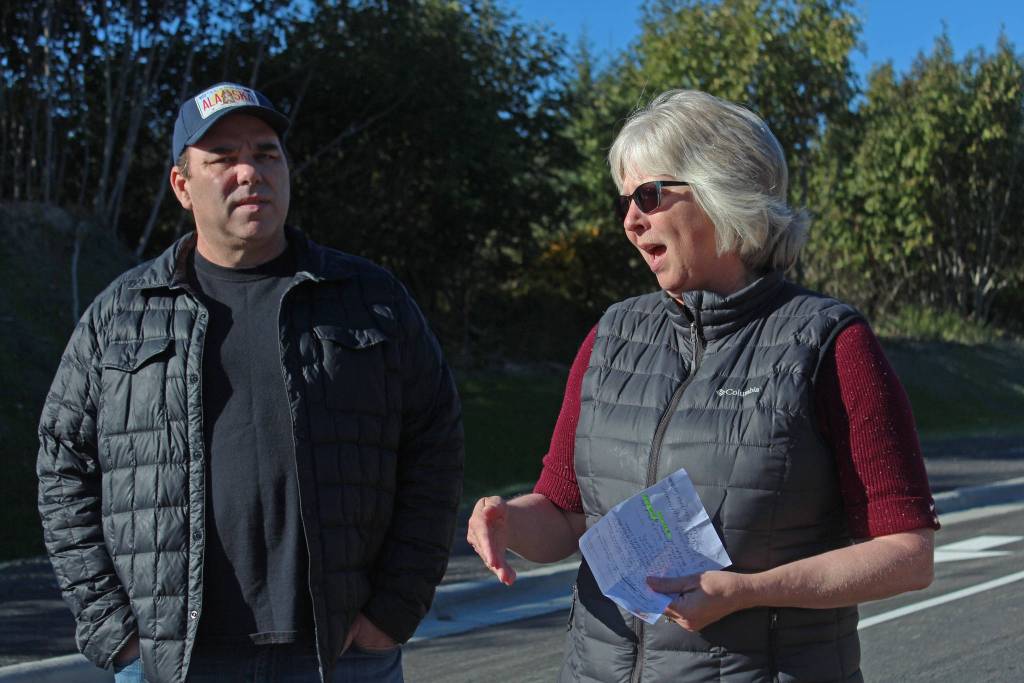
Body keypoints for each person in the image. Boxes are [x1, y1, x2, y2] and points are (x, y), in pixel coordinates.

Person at [467, 89, 938, 682]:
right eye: (625, 200)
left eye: (649, 195)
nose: (630, 219)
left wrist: (748, 591)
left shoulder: (829, 342)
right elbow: (564, 516)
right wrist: (507, 520)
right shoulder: (610, 335)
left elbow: (907, 557)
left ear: (722, 191)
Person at [37, 82, 464, 683]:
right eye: (222, 159)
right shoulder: (121, 315)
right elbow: (62, 468)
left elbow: (434, 446)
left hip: (340, 656)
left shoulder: (370, 301)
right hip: (174, 662)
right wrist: (114, 628)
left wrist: (392, 610)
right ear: (182, 186)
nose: (250, 172)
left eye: (266, 153)